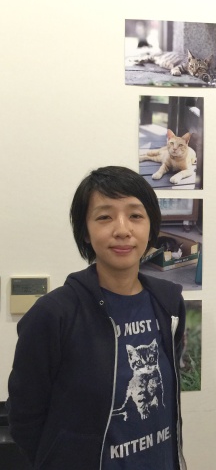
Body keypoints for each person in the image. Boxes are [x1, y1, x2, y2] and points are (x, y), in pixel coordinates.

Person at [7, 166, 187, 470]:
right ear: (85, 232)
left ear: (150, 226)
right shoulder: (54, 314)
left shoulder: (168, 302)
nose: (122, 230)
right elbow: (25, 419)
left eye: (135, 215)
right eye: (104, 217)